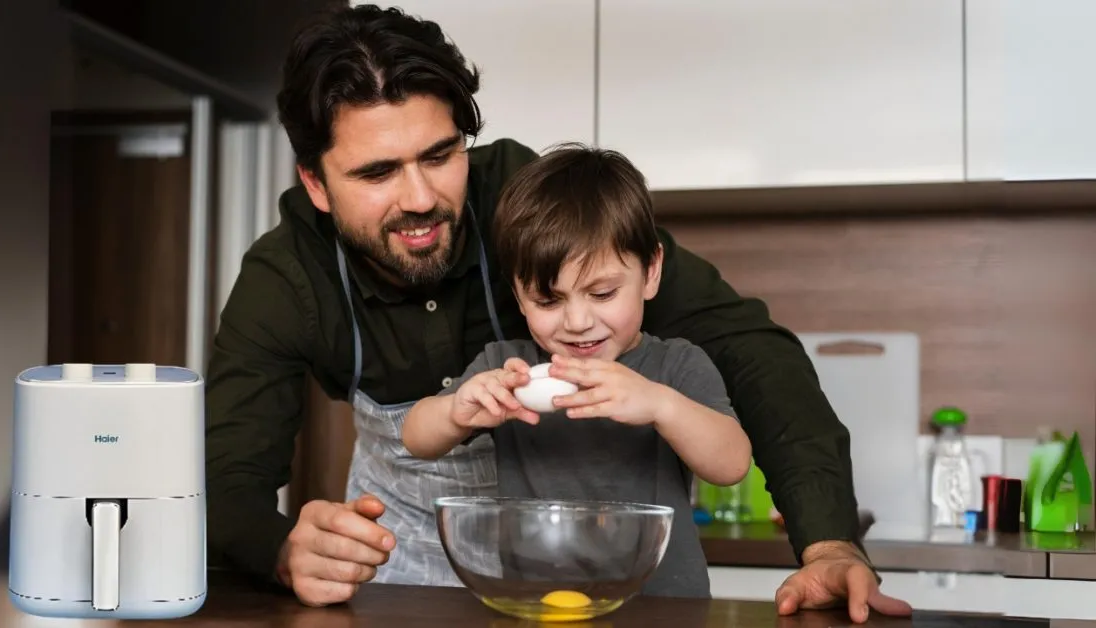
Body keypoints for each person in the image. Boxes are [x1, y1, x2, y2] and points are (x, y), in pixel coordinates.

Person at [204, 3, 912, 623]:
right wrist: (284, 551)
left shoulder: (534, 202)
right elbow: (225, 481)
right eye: (378, 172)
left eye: (440, 154)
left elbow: (745, 344)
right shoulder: (285, 280)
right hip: (399, 579)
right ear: (316, 184)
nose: (419, 197)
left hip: (569, 583)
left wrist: (828, 541)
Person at [402, 144, 753, 598]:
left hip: (663, 606)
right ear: (517, 294)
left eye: (602, 294)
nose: (578, 322)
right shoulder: (509, 368)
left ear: (650, 273)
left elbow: (732, 464)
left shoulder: (675, 365)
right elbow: (415, 437)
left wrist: (660, 404)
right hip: (534, 602)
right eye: (548, 301)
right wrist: (455, 411)